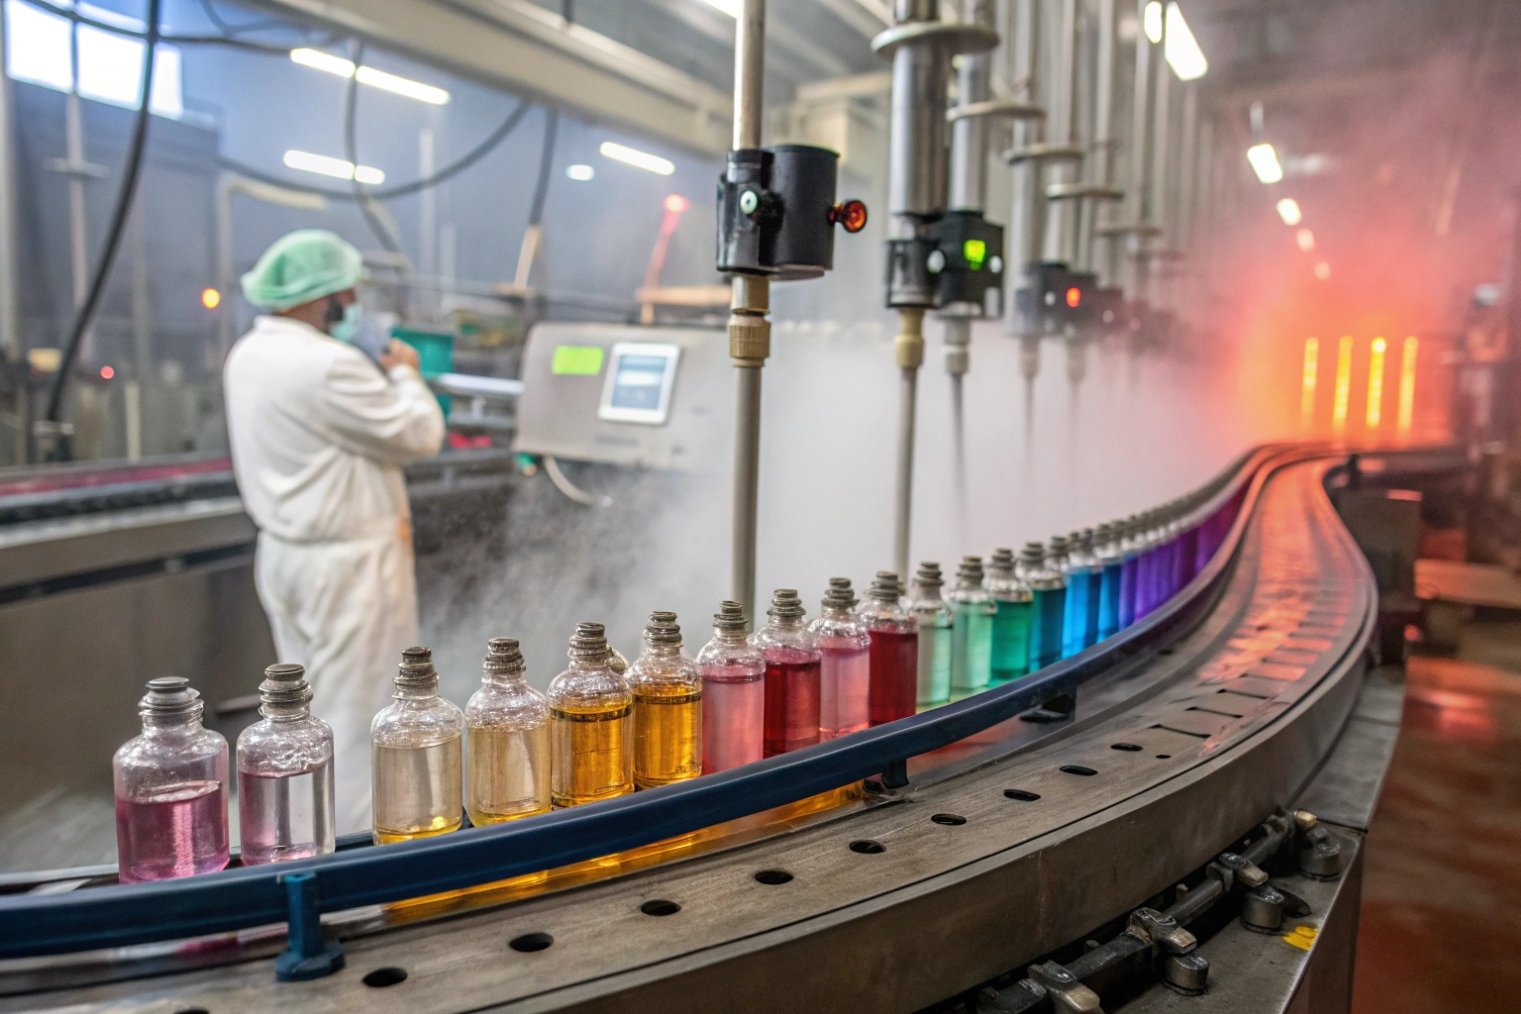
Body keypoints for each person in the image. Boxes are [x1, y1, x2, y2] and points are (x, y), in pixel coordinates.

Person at [225, 229, 445, 830]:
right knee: (356, 723)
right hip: (348, 569)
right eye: (346, 297)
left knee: (302, 717)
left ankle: (298, 841)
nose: (351, 309)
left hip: (285, 557)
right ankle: (354, 883)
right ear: (321, 298)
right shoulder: (326, 363)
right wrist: (405, 374)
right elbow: (418, 434)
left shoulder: (248, 354)